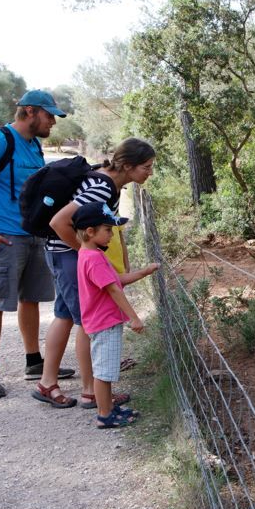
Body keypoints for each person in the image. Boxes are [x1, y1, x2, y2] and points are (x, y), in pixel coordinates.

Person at [0, 90, 74, 400]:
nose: (52, 121)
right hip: (2, 236)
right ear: (29, 112)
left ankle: (33, 362)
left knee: (31, 299)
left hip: (33, 234)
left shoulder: (34, 144)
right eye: (48, 114)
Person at [34, 138, 156, 409]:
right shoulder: (102, 187)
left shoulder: (107, 182)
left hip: (62, 253)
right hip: (66, 253)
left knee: (65, 315)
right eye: (146, 167)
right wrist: (85, 253)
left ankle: (47, 382)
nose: (150, 172)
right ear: (127, 165)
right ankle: (91, 390)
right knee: (87, 322)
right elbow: (59, 221)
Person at [72, 202, 158, 428]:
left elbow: (116, 280)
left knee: (106, 369)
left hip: (101, 321)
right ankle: (104, 415)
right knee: (103, 372)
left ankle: (108, 407)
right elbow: (113, 289)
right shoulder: (94, 258)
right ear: (90, 232)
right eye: (108, 230)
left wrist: (143, 272)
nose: (113, 235)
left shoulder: (88, 253)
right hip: (105, 323)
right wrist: (134, 318)